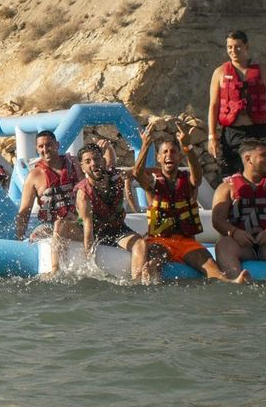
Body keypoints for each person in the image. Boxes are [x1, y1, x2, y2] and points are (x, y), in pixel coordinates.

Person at [131, 118, 245, 283]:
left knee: (210, 265)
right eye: (165, 152)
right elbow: (137, 174)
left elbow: (197, 176)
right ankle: (146, 285)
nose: (169, 155)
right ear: (158, 158)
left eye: (173, 152)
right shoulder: (152, 183)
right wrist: (145, 145)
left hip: (187, 243)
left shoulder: (189, 182)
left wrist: (188, 147)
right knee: (153, 262)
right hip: (160, 240)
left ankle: (231, 282)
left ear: (179, 157)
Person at [205, 30, 266, 175]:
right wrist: (212, 137)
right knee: (234, 177)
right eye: (229, 47)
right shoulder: (220, 72)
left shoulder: (262, 71)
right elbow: (214, 106)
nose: (233, 50)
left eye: (237, 46)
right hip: (233, 132)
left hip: (259, 129)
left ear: (246, 46)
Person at [211, 138, 266, 281]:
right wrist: (234, 232)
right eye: (263, 155)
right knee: (223, 245)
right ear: (248, 159)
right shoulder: (227, 187)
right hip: (241, 244)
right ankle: (237, 281)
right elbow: (217, 220)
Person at [74, 139, 149, 282]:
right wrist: (87, 263)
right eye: (88, 161)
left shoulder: (117, 177)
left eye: (96, 159)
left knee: (141, 243)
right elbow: (88, 228)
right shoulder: (83, 194)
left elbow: (137, 171)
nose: (94, 163)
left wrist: (145, 144)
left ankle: (137, 283)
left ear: (102, 161)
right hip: (95, 232)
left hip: (117, 229)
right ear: (82, 167)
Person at [14, 130, 80, 269]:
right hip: (49, 223)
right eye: (41, 146)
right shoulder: (34, 176)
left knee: (60, 225)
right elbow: (24, 211)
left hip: (76, 222)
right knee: (38, 234)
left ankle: (56, 270)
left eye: (49, 145)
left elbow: (89, 188)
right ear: (37, 148)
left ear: (57, 145)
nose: (45, 150)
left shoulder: (74, 165)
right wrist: (19, 240)